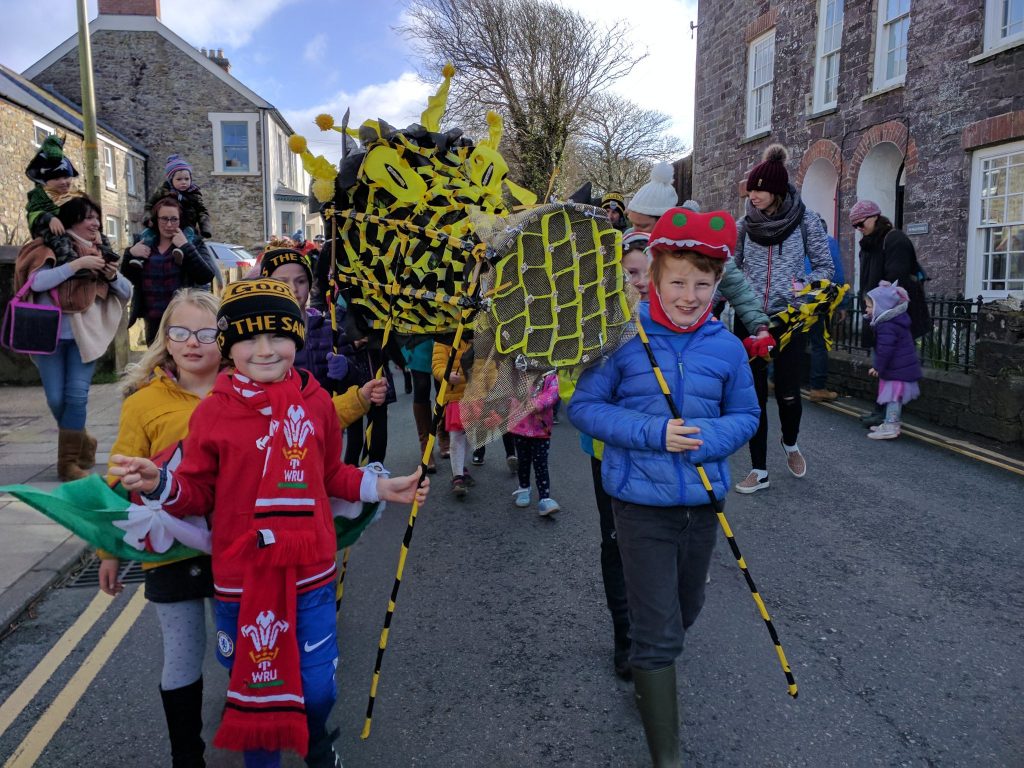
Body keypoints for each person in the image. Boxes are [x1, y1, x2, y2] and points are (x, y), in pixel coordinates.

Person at [110, 278, 429, 768]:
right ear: (229, 347)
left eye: (278, 336)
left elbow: (329, 474)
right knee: (252, 686)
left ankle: (312, 732)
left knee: (318, 688)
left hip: (311, 570)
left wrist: (379, 486)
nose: (264, 350)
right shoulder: (213, 413)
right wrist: (158, 483)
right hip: (242, 578)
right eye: (248, 338)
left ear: (296, 339)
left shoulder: (316, 400)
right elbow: (196, 493)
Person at [568, 208, 759, 767]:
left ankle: (653, 669)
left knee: (685, 609)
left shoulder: (725, 346)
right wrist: (653, 433)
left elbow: (746, 414)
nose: (690, 295)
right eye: (678, 281)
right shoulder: (623, 340)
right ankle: (667, 755)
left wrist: (707, 437)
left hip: (702, 503)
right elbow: (585, 407)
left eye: (703, 284)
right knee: (655, 631)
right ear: (653, 278)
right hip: (638, 504)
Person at [99, 289, 223, 767]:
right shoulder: (143, 403)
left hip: (237, 544)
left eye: (207, 333)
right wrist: (108, 550)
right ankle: (186, 755)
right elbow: (119, 477)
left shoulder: (247, 391)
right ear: (165, 340)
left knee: (247, 651)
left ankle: (254, 726)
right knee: (182, 656)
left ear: (224, 337)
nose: (193, 343)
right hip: (171, 547)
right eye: (181, 332)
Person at [733, 144, 834, 493]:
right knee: (753, 397)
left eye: (759, 189)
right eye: (751, 190)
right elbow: (728, 270)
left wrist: (799, 288)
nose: (753, 195)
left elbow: (825, 269)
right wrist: (710, 310)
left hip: (789, 320)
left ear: (775, 190)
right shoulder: (744, 225)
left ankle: (789, 442)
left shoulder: (805, 221)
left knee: (790, 394)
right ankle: (758, 470)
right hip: (749, 318)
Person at [13, 195, 133, 481]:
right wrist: (77, 265)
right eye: (88, 217)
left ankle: (67, 465)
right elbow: (37, 282)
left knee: (76, 396)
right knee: (56, 399)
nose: (96, 223)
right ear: (72, 220)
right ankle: (84, 441)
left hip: (84, 337)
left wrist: (110, 275)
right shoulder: (45, 247)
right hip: (47, 335)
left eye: (96, 217)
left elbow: (127, 292)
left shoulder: (101, 250)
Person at [258, 247, 387, 425]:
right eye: (282, 282)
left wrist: (347, 369)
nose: (293, 289)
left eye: (301, 281)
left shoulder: (330, 330)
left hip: (328, 428)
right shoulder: (257, 338)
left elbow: (361, 381)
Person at [850, 199, 930, 427]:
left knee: (891, 364)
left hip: (894, 315)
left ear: (875, 216)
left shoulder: (894, 239)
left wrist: (879, 307)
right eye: (855, 225)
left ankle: (886, 415)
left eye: (860, 223)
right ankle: (882, 411)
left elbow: (896, 280)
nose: (858, 228)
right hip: (877, 312)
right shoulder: (869, 243)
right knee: (883, 360)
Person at [123, 196, 217, 345]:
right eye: (164, 219)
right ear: (156, 220)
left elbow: (206, 276)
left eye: (174, 219)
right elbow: (127, 278)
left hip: (183, 317)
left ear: (181, 220)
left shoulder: (194, 242)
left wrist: (186, 247)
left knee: (181, 363)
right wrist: (130, 253)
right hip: (153, 319)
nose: (169, 224)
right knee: (157, 365)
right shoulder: (144, 242)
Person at [864, 282, 922, 440]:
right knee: (893, 398)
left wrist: (877, 367)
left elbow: (885, 350)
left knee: (893, 398)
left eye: (869, 306)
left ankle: (891, 426)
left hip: (898, 370)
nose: (866, 309)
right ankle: (890, 423)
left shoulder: (887, 326)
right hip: (899, 368)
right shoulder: (893, 322)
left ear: (881, 306)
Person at [806, 216, 848, 402]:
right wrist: (843, 304)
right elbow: (837, 274)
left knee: (790, 339)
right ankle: (817, 388)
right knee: (819, 344)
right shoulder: (828, 243)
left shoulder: (797, 243)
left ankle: (774, 380)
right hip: (818, 299)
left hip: (796, 297)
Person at [24, 134, 83, 265]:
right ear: (44, 181)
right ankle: (70, 262)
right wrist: (49, 218)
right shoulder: (40, 196)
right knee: (59, 236)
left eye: (66, 177)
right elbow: (33, 214)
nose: (63, 182)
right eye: (56, 179)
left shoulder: (74, 195)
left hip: (71, 230)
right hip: (49, 230)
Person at [509, 371, 560, 516]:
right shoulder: (518, 369)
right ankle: (524, 487)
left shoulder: (550, 373)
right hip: (520, 426)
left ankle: (545, 497)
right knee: (523, 460)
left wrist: (538, 404)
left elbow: (555, 391)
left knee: (541, 463)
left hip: (541, 429)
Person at [432, 336, 473, 497]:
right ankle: (457, 476)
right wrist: (446, 374)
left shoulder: (477, 337)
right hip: (455, 397)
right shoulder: (443, 338)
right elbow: (437, 365)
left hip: (474, 395)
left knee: (469, 436)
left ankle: (461, 466)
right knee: (456, 437)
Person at [141, 154, 212, 245]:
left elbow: (202, 212)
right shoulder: (163, 192)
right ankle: (142, 255)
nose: (184, 182)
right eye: (179, 179)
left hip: (187, 225)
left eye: (187, 179)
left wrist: (205, 228)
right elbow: (149, 205)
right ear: (171, 180)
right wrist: (148, 219)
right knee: (147, 234)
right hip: (166, 226)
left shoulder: (194, 195)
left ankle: (183, 251)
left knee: (189, 234)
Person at [625, 163, 678, 233]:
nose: (634, 232)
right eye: (632, 223)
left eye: (643, 226)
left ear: (665, 223)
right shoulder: (628, 235)